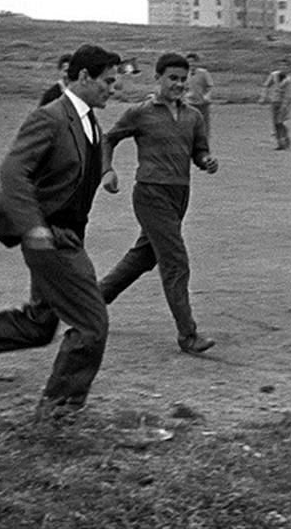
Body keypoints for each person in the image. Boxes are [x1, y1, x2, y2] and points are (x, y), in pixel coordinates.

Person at [0, 44, 122, 422]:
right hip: (51, 238)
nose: (113, 89)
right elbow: (12, 172)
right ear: (84, 77)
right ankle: (58, 413)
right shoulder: (50, 117)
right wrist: (34, 227)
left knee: (38, 324)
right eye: (108, 81)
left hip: (68, 233)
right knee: (91, 324)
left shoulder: (89, 122)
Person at [98, 53, 219, 355]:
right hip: (151, 194)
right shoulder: (140, 112)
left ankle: (89, 304)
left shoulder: (193, 116)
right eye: (172, 79)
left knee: (142, 258)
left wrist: (206, 161)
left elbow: (199, 151)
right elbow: (108, 139)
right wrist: (107, 170)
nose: (178, 84)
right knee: (175, 261)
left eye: (182, 79)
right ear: (158, 79)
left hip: (179, 195)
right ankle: (187, 335)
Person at [260, 58, 291, 150]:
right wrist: (263, 96)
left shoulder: (288, 80)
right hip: (274, 102)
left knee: (280, 122)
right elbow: (266, 85)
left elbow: (288, 94)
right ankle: (280, 143)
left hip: (284, 103)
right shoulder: (274, 75)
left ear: (288, 68)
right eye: (281, 66)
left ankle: (285, 139)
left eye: (285, 66)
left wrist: (284, 106)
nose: (283, 68)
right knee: (275, 123)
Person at [184, 52, 214, 140]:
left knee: (204, 124)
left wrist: (207, 96)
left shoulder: (204, 73)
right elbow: (184, 88)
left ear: (197, 63)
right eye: (188, 62)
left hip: (202, 103)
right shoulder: (185, 74)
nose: (191, 64)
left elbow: (210, 86)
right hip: (190, 103)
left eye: (192, 62)